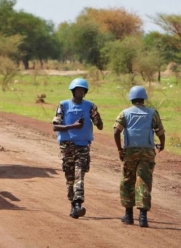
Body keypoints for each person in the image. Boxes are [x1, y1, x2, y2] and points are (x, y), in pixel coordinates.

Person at [113, 85, 166, 228]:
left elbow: (116, 132)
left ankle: (128, 215)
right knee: (144, 181)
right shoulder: (152, 113)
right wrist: (162, 144)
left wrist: (119, 149)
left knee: (127, 181)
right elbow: (160, 132)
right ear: (144, 98)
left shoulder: (124, 113)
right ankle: (143, 217)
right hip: (147, 152)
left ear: (131, 98)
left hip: (129, 151)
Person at [52, 78, 104, 219]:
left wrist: (97, 117)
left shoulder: (90, 106)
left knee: (79, 174)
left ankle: (78, 203)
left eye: (83, 90)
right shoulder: (63, 105)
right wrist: (72, 126)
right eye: (78, 90)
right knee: (69, 177)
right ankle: (73, 205)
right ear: (73, 91)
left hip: (83, 146)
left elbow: (100, 126)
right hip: (67, 147)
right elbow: (55, 126)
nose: (80, 92)